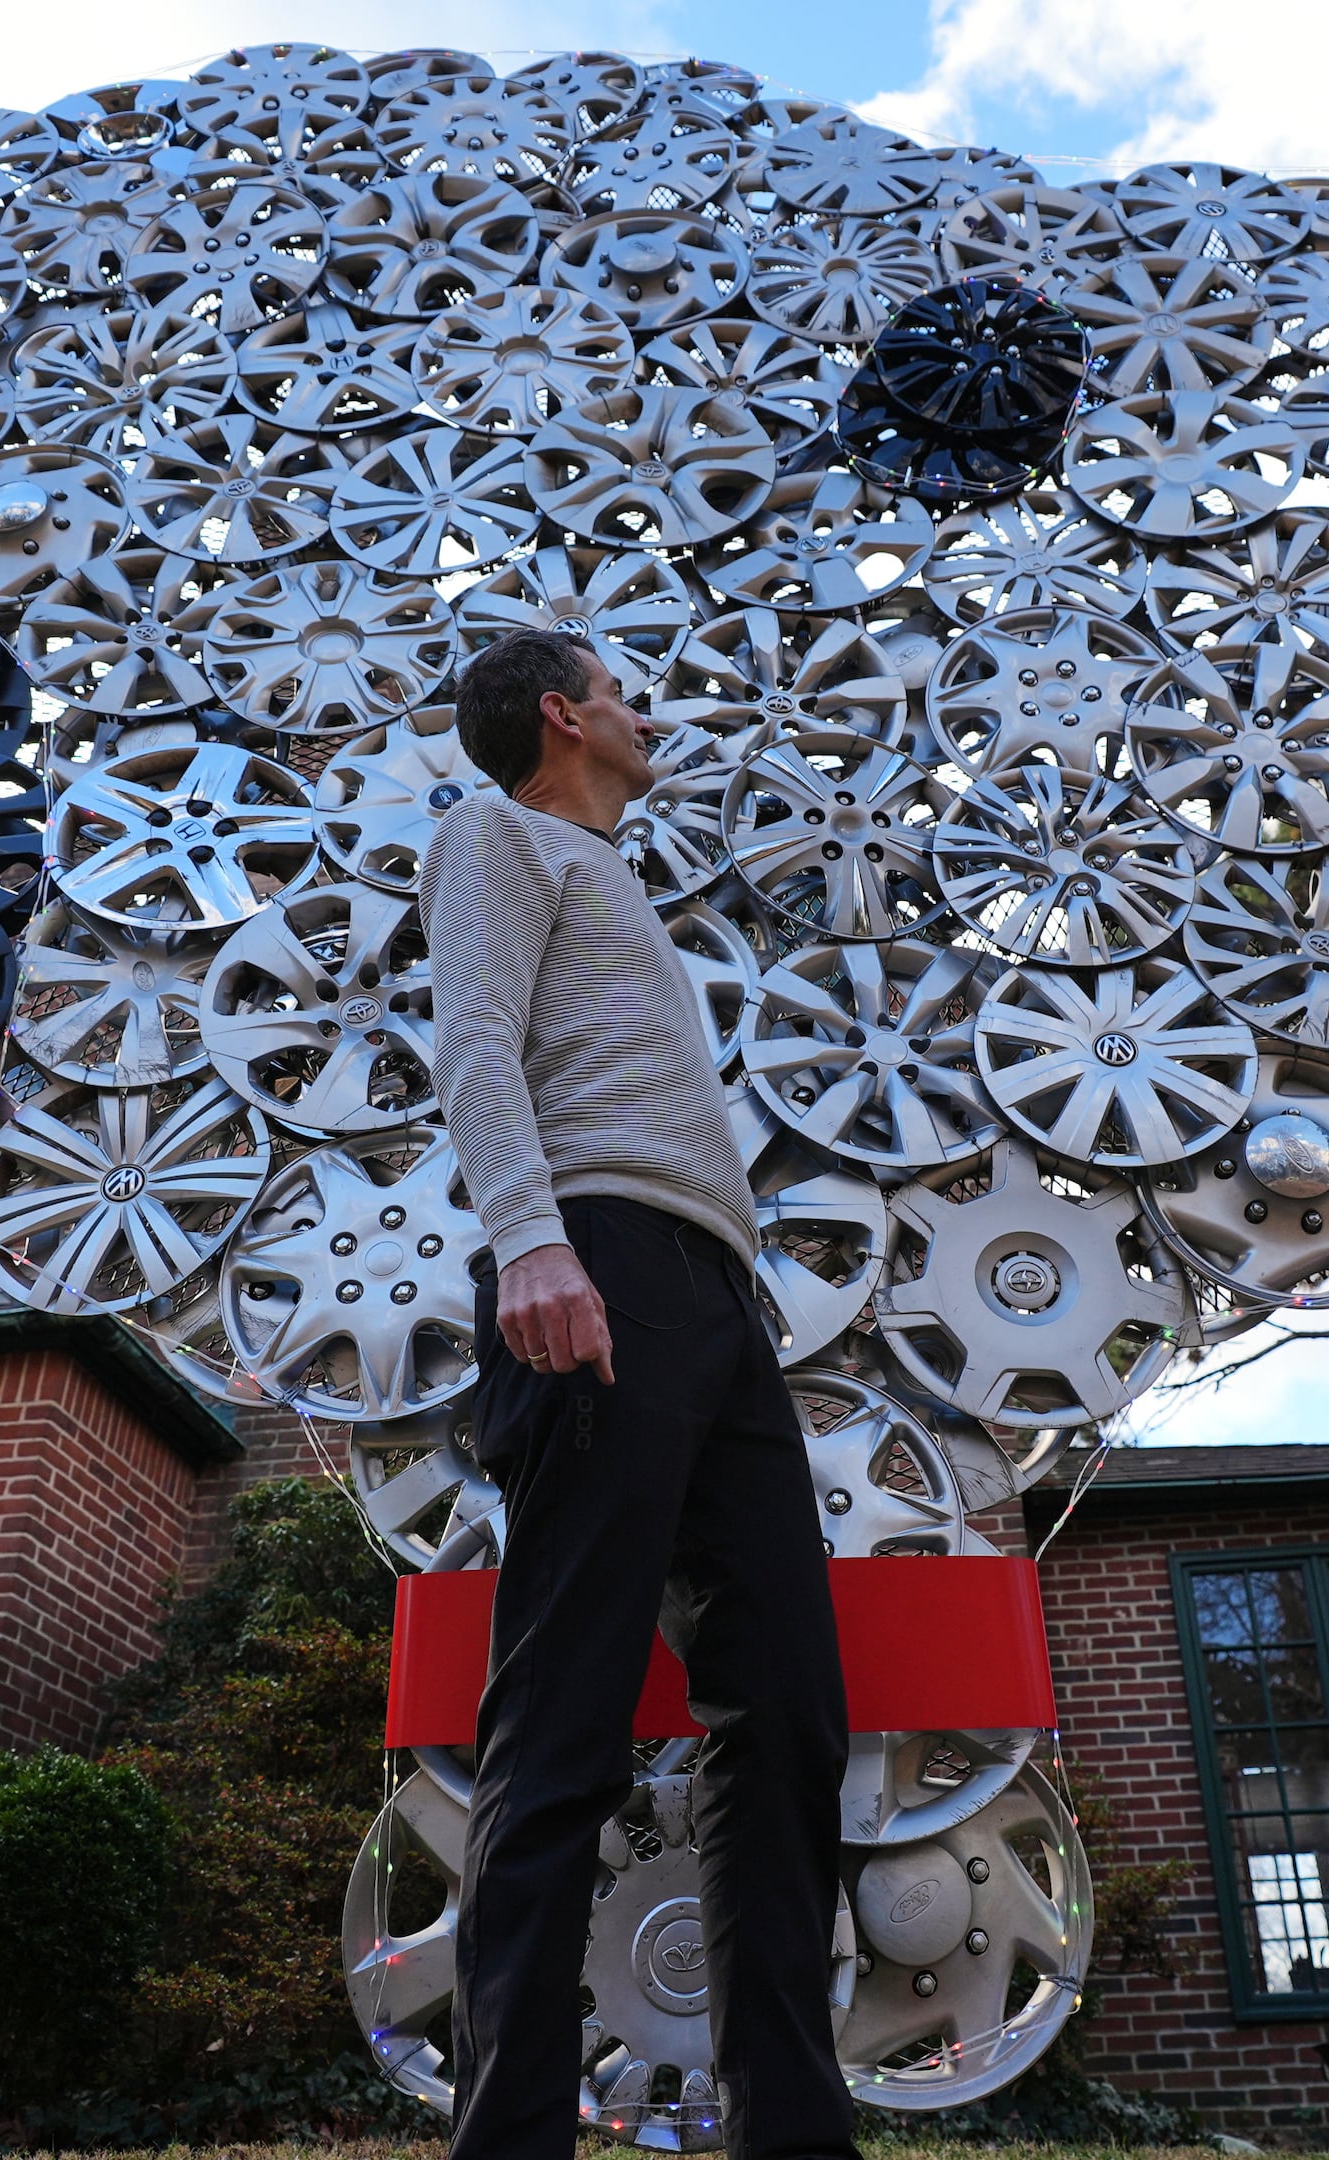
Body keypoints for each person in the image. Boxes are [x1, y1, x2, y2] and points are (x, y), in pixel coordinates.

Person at [418, 630, 856, 2160]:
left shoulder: (620, 884)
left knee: (791, 1709)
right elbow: (472, 1038)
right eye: (625, 689)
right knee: (564, 1721)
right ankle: (515, 2137)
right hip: (588, 1268)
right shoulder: (499, 832)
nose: (644, 710)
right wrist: (531, 1240)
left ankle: (793, 2133)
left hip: (713, 1303)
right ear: (563, 713)